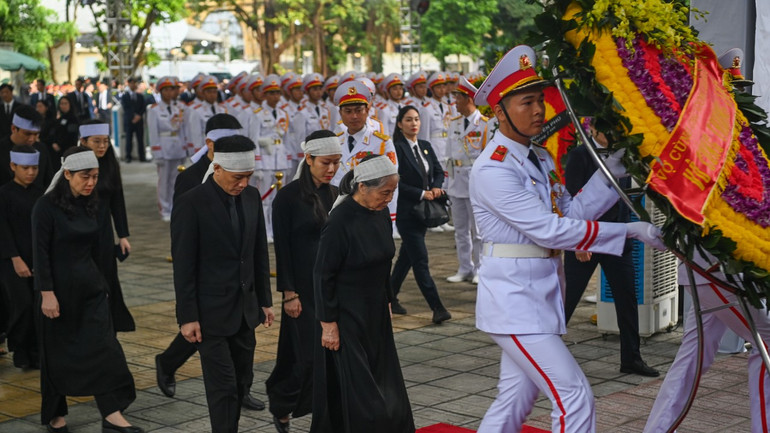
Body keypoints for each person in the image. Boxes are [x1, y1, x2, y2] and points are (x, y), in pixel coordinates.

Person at [469, 45, 666, 432]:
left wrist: (615, 165)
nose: (539, 110)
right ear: (499, 111)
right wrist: (627, 230)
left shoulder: (538, 157)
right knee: (574, 396)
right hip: (514, 301)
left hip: (536, 295)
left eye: (540, 100)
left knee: (514, 399)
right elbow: (549, 230)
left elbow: (571, 214)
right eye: (526, 102)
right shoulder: (493, 169)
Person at [157, 114, 267, 412]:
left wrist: (264, 299)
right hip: (210, 294)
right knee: (219, 378)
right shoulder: (191, 184)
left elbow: (257, 250)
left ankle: (241, 391)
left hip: (241, 298)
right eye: (237, 178)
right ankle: (168, 363)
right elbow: (185, 252)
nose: (243, 184)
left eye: (249, 177)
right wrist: (187, 313)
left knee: (240, 359)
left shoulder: (249, 194)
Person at [33, 146, 142, 433]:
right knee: (55, 356)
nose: (91, 182)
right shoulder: (45, 208)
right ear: (67, 173)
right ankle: (55, 415)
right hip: (57, 294)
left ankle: (112, 414)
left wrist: (106, 286)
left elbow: (99, 250)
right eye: (85, 176)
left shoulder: (93, 203)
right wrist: (47, 293)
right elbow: (40, 254)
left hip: (91, 290)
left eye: (95, 176)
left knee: (105, 351)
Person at [311, 154, 415, 433]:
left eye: (393, 192)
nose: (389, 199)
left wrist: (389, 299)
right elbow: (322, 275)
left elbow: (383, 262)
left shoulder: (379, 213)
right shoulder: (339, 222)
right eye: (385, 192)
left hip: (376, 310)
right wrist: (327, 323)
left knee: (385, 377)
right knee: (362, 389)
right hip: (347, 315)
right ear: (362, 187)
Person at [563, 121, 659, 377]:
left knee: (627, 298)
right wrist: (579, 242)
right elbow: (572, 200)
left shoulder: (623, 153)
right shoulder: (579, 154)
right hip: (585, 239)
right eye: (608, 127)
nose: (613, 133)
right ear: (593, 128)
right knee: (567, 299)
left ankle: (632, 358)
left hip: (616, 237)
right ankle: (543, 354)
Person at [643, 251, 770, 432]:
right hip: (717, 273)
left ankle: (658, 429)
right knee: (766, 343)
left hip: (710, 272)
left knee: (692, 357)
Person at [266, 130, 341, 432]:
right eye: (325, 162)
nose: (332, 169)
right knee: (300, 355)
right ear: (308, 159)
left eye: (336, 163)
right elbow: (282, 247)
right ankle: (282, 406)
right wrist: (288, 293)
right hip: (301, 290)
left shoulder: (335, 194)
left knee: (328, 355)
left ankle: (325, 412)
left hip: (329, 289)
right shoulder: (287, 197)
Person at [388, 105, 452, 323]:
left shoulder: (425, 145)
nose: (413, 123)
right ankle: (437, 307)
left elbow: (436, 170)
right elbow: (395, 181)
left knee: (407, 257)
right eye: (408, 120)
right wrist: (421, 193)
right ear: (399, 124)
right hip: (408, 212)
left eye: (416, 119)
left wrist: (435, 187)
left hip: (425, 212)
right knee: (420, 260)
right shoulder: (396, 148)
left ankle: (389, 296)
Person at [77, 120, 135, 333]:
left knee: (106, 276)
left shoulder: (110, 164)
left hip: (102, 232)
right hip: (79, 232)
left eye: (106, 141)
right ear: (84, 141)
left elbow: (117, 201)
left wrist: (123, 235)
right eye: (97, 141)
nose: (102, 146)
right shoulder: (73, 165)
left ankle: (107, 322)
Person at [0, 145, 43, 368]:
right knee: (22, 304)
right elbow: (3, 230)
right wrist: (15, 258)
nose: (30, 173)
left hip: (36, 260)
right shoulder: (4, 194)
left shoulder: (41, 193)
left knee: (37, 306)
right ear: (12, 166)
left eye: (34, 168)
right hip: (11, 261)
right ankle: (19, 349)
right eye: (25, 168)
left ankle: (35, 351)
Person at [445, 76, 488, 285]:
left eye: (458, 98)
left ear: (469, 98)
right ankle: (465, 268)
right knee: (460, 230)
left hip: (475, 183)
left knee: (478, 231)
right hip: (456, 183)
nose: (455, 103)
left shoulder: (485, 125)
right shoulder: (453, 123)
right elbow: (447, 156)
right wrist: (446, 183)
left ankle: (481, 268)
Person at [147, 76, 187, 222]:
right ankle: (164, 208)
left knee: (176, 180)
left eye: (173, 89)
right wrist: (156, 152)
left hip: (178, 146)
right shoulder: (155, 110)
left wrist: (185, 146)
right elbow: (153, 132)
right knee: (164, 181)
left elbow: (183, 128)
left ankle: (174, 206)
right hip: (164, 147)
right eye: (167, 89)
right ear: (161, 91)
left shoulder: (180, 107)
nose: (171, 92)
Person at [0, 105, 54, 188]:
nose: (32, 139)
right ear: (14, 129)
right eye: (27, 134)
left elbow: (48, 181)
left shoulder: (41, 149)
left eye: (36, 134)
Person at [120, 77, 147, 163]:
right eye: (131, 83)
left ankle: (142, 156)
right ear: (128, 84)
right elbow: (126, 108)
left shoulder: (140, 96)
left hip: (139, 121)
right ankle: (128, 156)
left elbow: (143, 107)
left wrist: (139, 115)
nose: (133, 85)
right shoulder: (125, 96)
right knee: (129, 139)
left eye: (134, 83)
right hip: (129, 121)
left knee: (140, 139)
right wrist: (133, 117)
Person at [52, 97, 80, 171]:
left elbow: (71, 136)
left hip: (68, 150)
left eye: (65, 103)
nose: (63, 106)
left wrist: (60, 145)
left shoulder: (73, 119)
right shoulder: (60, 118)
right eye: (61, 104)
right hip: (57, 152)